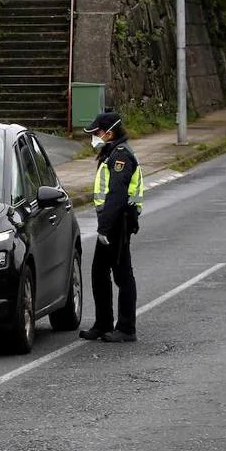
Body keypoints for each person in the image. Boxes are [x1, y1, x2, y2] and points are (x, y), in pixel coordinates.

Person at [79, 111, 143, 343]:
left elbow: (116, 195)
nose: (94, 136)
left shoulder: (121, 156)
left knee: (122, 275)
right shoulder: (111, 152)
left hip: (118, 224)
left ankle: (126, 328)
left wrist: (105, 228)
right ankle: (104, 323)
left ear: (110, 132)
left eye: (96, 132)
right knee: (99, 272)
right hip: (112, 223)